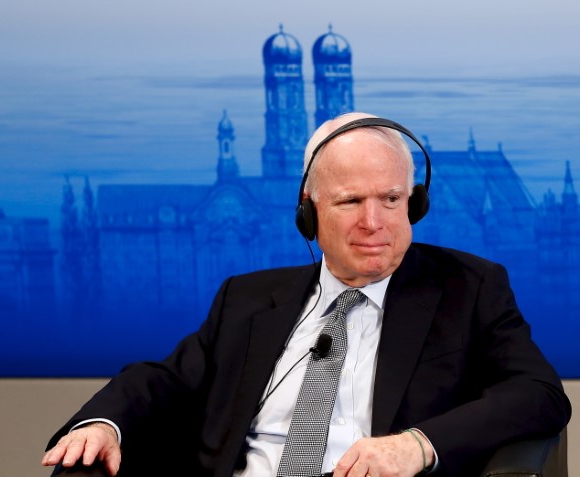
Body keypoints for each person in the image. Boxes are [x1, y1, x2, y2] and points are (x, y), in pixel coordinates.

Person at [42, 112, 571, 477]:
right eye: (349, 201)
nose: (373, 222)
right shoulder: (247, 300)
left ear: (415, 203)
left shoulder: (467, 288)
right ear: (308, 211)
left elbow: (539, 393)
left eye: (391, 199)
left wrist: (417, 446)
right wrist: (103, 423)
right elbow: (162, 378)